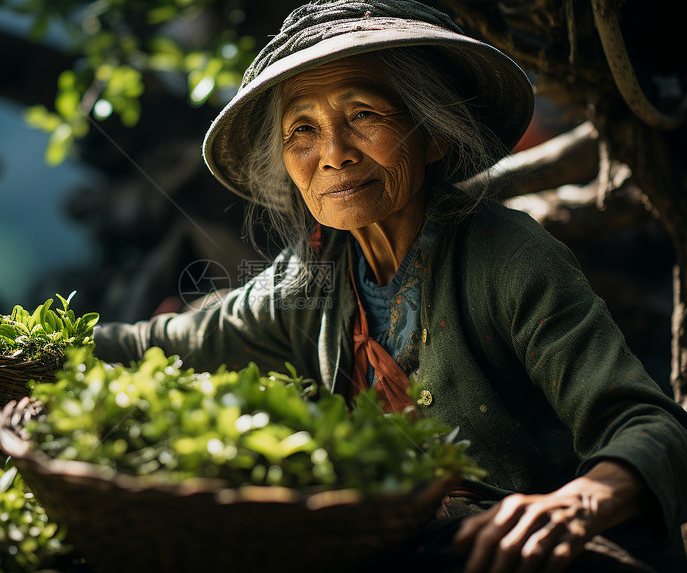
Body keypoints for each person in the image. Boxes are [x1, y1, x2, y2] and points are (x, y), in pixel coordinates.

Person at [92, 1, 687, 571]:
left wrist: (574, 504)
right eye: (302, 129)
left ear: (435, 135)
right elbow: (168, 342)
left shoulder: (509, 256)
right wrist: (25, 352)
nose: (333, 154)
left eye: (363, 115)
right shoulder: (312, 278)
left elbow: (650, 425)